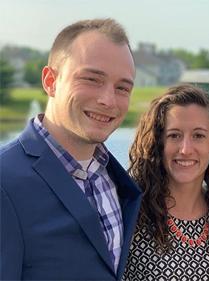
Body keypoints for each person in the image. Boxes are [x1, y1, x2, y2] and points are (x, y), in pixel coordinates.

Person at [0, 19, 142, 280]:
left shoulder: (115, 179)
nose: (108, 100)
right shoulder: (4, 182)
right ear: (50, 81)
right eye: (92, 79)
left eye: (122, 87)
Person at [123, 84, 209, 280]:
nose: (186, 149)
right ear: (157, 143)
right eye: (174, 135)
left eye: (198, 136)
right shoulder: (131, 211)